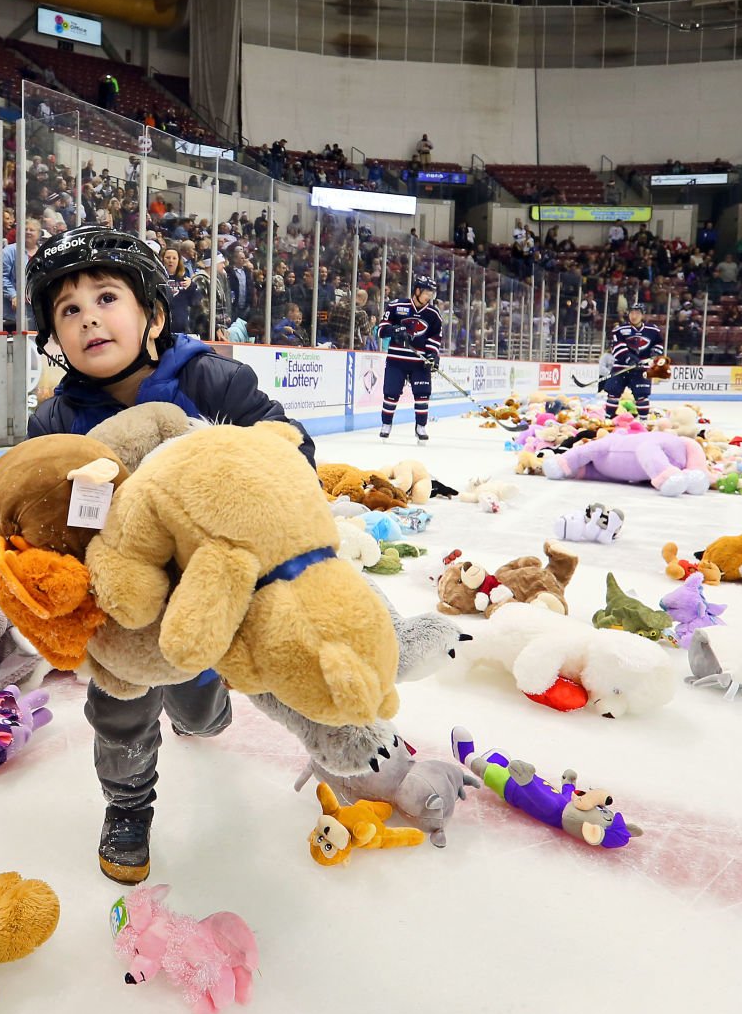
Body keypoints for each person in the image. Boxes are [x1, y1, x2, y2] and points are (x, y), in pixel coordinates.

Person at [22, 225, 316, 884]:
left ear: (152, 314)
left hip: (206, 592)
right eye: (68, 310)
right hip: (118, 606)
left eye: (105, 297)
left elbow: (290, 454)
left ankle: (201, 699)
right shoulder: (55, 423)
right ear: (55, 337)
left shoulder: (213, 381)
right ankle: (127, 806)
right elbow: (35, 517)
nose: (88, 317)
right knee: (119, 709)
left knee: (196, 708)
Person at [375, 273, 444, 442]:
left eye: (431, 294)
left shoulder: (433, 314)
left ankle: (421, 426)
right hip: (396, 361)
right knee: (391, 393)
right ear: (418, 290)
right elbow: (381, 330)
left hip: (419, 363)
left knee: (422, 394)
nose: (429, 296)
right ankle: (386, 424)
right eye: (427, 292)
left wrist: (432, 355)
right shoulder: (396, 306)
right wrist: (395, 330)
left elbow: (435, 337)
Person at [601, 301, 663, 418]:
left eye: (637, 313)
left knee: (642, 396)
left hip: (641, 369)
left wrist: (655, 352)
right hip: (621, 368)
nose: (634, 316)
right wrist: (630, 359)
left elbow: (659, 344)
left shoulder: (653, 331)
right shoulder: (619, 329)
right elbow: (617, 348)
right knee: (613, 393)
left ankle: (643, 421)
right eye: (632, 313)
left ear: (643, 315)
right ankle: (608, 418)